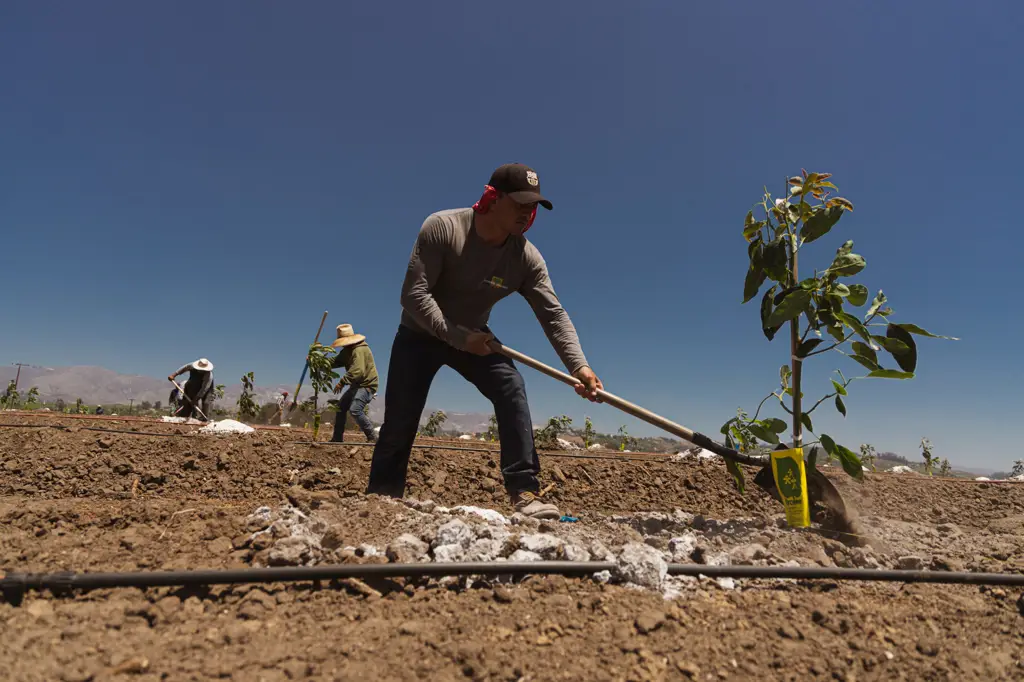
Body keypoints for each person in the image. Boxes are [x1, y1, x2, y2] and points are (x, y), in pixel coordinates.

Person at [366, 163, 603, 520]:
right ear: (491, 198)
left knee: (510, 386)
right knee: (400, 420)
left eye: (534, 206)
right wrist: (458, 337)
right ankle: (381, 501)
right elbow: (414, 295)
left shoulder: (526, 258)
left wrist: (579, 366)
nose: (528, 212)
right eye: (520, 203)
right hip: (419, 334)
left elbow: (553, 315)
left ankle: (525, 490)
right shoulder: (444, 228)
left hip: (475, 338)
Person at [327, 324, 379, 443]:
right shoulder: (347, 351)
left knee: (355, 409)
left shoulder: (359, 349)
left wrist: (342, 382)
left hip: (366, 385)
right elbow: (334, 362)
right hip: (356, 386)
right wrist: (318, 362)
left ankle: (372, 437)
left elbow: (358, 371)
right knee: (340, 408)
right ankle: (337, 438)